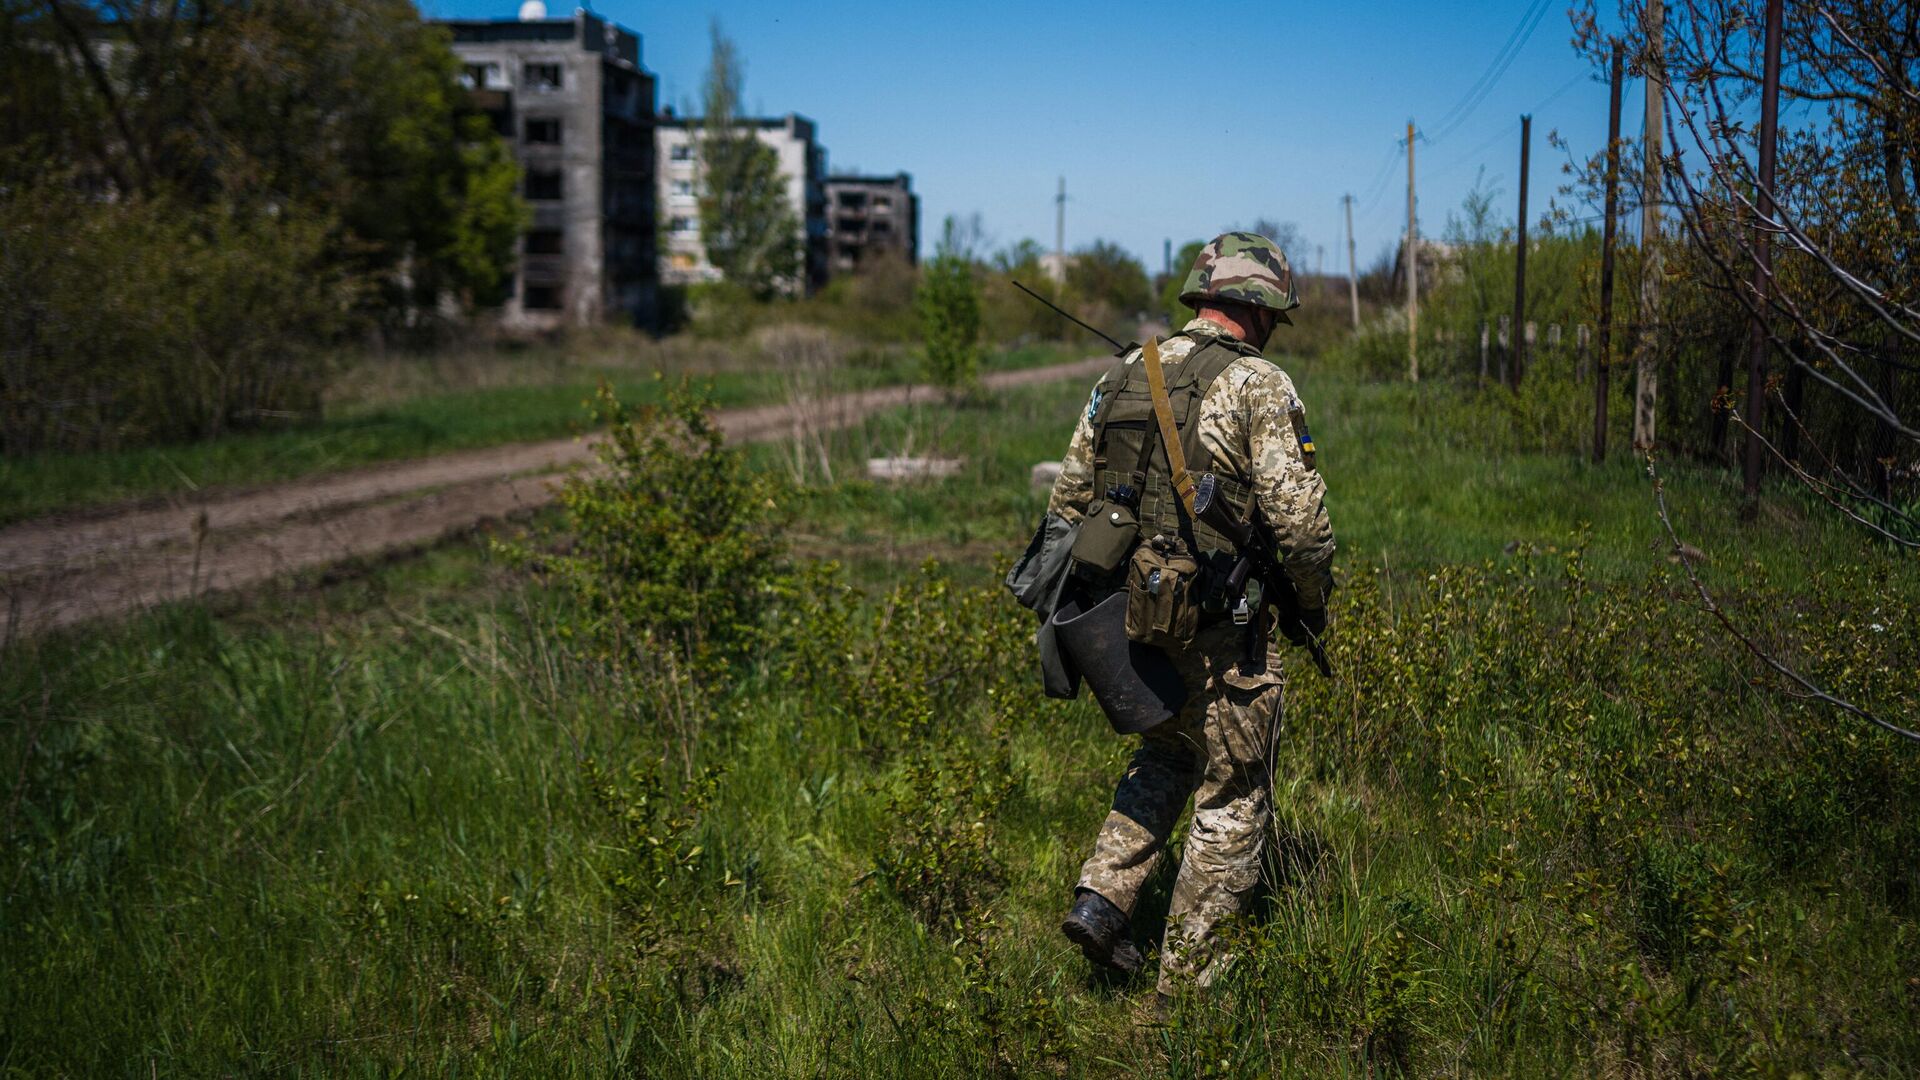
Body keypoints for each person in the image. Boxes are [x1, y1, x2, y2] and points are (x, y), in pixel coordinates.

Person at [1045, 232, 1336, 1005]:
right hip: (1223, 630)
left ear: (1202, 293)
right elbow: (1303, 532)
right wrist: (1311, 606)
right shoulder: (1260, 386)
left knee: (1166, 756)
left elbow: (1068, 504)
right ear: (1261, 306)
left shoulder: (1123, 374)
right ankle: (1191, 996)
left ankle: (1101, 900)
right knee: (1232, 795)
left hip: (1133, 623)